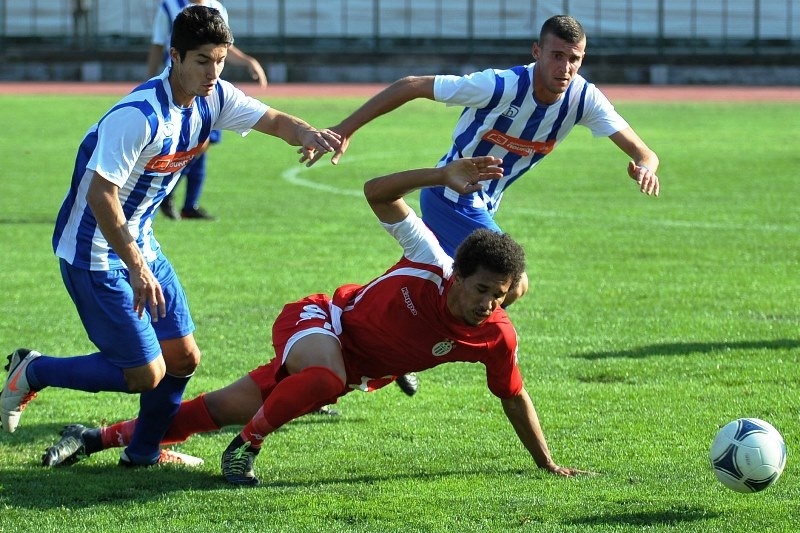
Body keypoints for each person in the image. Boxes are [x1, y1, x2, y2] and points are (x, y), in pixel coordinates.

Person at [42, 156, 590, 487]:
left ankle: (95, 437)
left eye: (498, 296)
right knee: (323, 379)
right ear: (456, 275)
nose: (487, 305)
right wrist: (440, 175)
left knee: (212, 411)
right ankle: (246, 451)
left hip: (346, 367)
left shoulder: (494, 333)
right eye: (480, 291)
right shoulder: (430, 260)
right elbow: (377, 191)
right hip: (318, 320)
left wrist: (547, 464)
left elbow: (513, 395)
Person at [0, 5, 340, 468]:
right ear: (174, 57)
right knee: (144, 372)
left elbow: (275, 121)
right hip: (93, 250)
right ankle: (33, 369)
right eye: (202, 60)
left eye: (219, 60)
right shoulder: (138, 115)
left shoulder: (214, 96)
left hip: (141, 241)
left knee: (183, 359)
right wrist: (138, 268)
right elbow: (102, 195)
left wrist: (309, 133)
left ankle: (143, 453)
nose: (213, 72)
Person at [324, 14, 661, 308]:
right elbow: (412, 85)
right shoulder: (500, 86)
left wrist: (646, 167)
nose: (565, 67)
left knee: (432, 280)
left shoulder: (584, 98)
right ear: (537, 52)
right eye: (556, 56)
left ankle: (394, 328)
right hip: (452, 196)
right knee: (513, 283)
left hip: (484, 203)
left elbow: (644, 152)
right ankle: (441, 336)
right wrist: (345, 128)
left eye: (574, 58)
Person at [147, 0, 268, 220]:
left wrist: (248, 61)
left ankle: (187, 203)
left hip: (206, 89)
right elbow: (158, 44)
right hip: (179, 88)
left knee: (202, 143)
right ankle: (168, 194)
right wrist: (149, 79)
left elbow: (224, 46)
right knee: (188, 145)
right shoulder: (169, 7)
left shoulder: (218, 8)